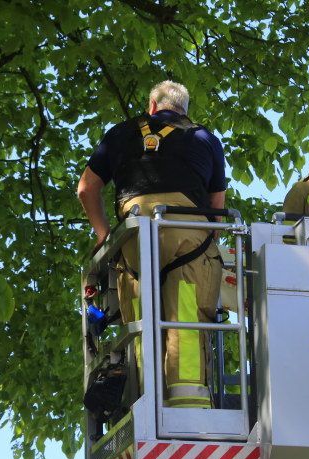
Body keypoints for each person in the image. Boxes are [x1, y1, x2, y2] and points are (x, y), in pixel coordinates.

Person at [77, 81, 225, 409]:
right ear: (185, 111)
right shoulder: (205, 138)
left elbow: (86, 189)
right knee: (185, 317)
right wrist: (207, 252)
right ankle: (189, 410)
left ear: (152, 107)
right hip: (188, 235)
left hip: (134, 237)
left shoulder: (119, 134)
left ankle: (148, 407)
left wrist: (103, 235)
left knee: (142, 324)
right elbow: (217, 211)